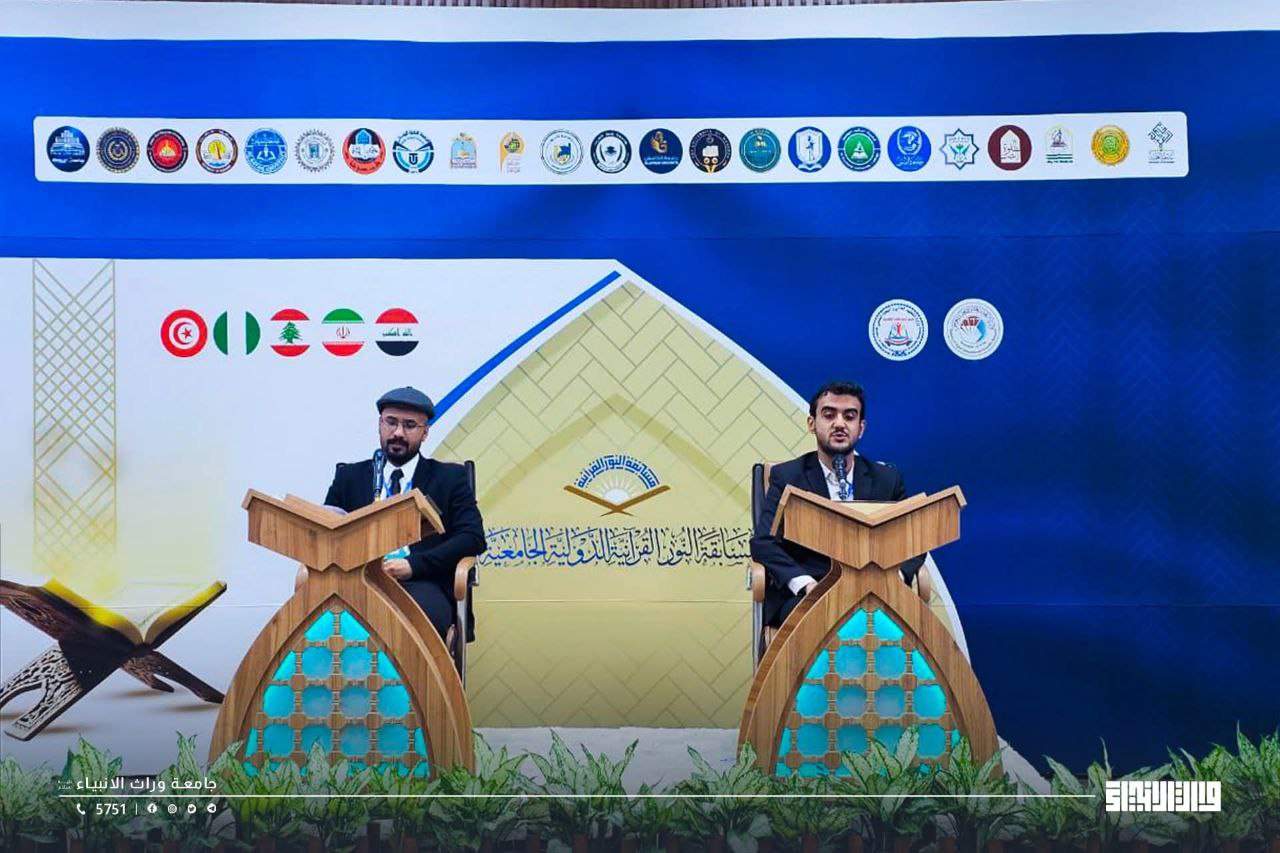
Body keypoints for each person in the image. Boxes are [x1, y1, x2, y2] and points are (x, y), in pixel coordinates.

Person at [750, 380, 925, 628]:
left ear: (861, 428)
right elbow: (764, 543)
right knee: (818, 619)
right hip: (809, 594)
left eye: (849, 416)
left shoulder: (887, 479)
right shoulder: (788, 477)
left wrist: (895, 578)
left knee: (908, 625)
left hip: (877, 593)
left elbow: (914, 538)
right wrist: (805, 584)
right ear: (812, 424)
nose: (840, 423)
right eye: (829, 415)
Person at [318, 386, 486, 641]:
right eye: (391, 422)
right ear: (380, 424)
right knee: (325, 624)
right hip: (356, 584)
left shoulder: (449, 478)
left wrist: (413, 566)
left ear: (425, 432)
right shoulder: (349, 477)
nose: (398, 433)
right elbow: (327, 533)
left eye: (409, 425)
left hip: (421, 583)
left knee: (414, 624)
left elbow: (472, 537)